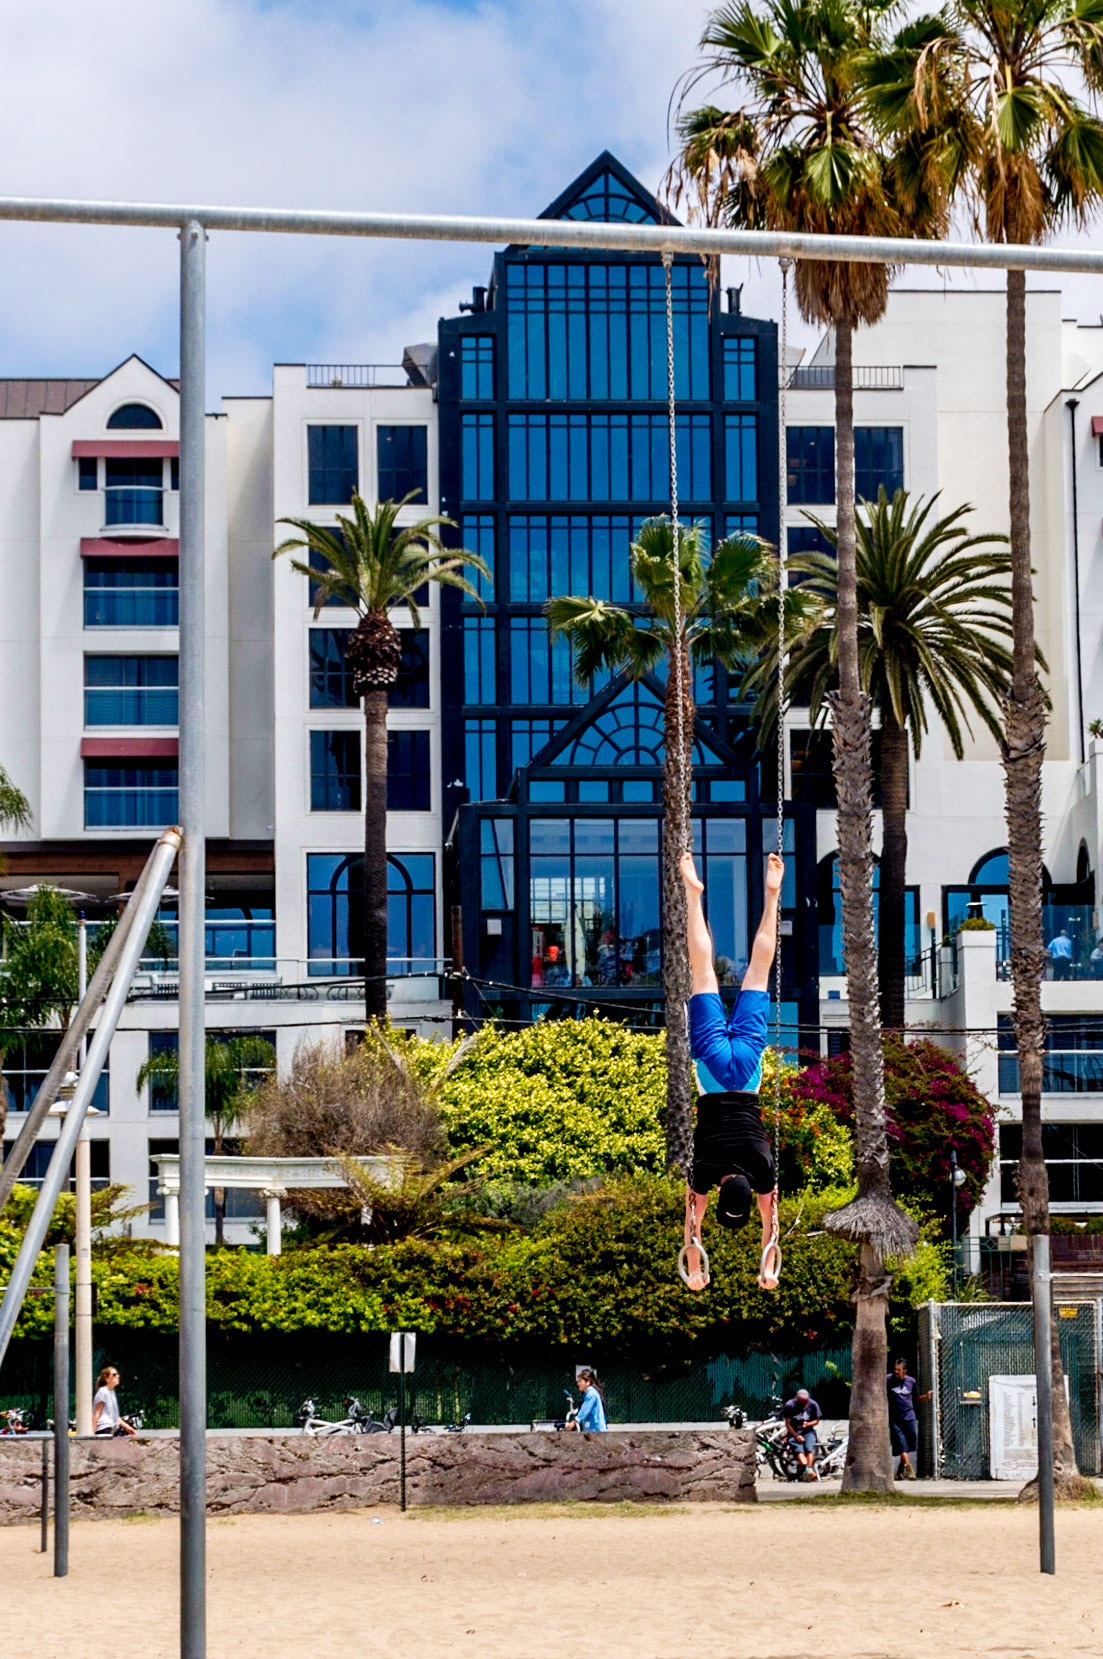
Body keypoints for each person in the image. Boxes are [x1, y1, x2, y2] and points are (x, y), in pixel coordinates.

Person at [679, 849, 783, 1293]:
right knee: (701, 972)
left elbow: (771, 1228)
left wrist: (770, 1268)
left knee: (758, 972)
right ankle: (691, 895)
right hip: (713, 1075)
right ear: (722, 1196)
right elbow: (691, 1230)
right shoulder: (704, 1171)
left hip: (747, 1075)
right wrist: (696, 1271)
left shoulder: (763, 1169)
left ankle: (772, 897)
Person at [887, 1358, 931, 1480]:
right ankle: (909, 1467)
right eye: (895, 1369)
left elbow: (916, 1398)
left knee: (908, 1445)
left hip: (909, 1416)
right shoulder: (889, 1380)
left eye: (899, 1370)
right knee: (901, 1444)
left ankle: (900, 1470)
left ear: (905, 1371)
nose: (896, 1372)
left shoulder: (911, 1381)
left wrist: (926, 1397)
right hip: (895, 1419)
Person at [783, 1387, 822, 1480]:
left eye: (804, 1402)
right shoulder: (790, 1405)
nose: (803, 1404)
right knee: (799, 1450)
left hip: (808, 1431)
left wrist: (808, 1424)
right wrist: (796, 1435)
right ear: (796, 1398)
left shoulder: (813, 1404)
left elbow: (817, 1420)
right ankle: (807, 1470)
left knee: (809, 1449)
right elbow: (787, 1424)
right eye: (800, 1402)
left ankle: (808, 1470)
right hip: (794, 1432)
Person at [92, 1365, 137, 1437]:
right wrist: (92, 1434)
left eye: (117, 1374)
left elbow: (115, 1417)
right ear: (107, 1379)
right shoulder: (103, 1392)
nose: (117, 1376)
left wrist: (128, 1428)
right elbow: (97, 1414)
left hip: (111, 1428)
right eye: (114, 1374)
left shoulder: (111, 1392)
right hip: (104, 1428)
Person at [568, 1368, 607, 1433]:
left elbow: (584, 1411)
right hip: (591, 1432)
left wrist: (574, 1422)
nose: (578, 1383)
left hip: (597, 1432)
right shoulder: (587, 1394)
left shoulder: (591, 1395)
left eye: (580, 1381)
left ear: (588, 1382)